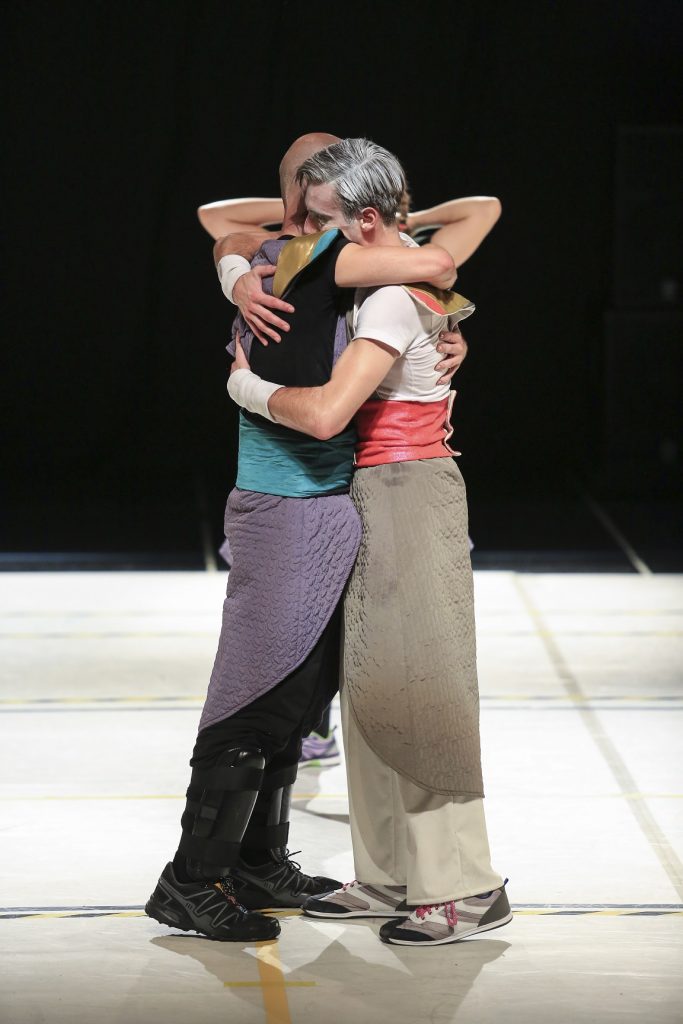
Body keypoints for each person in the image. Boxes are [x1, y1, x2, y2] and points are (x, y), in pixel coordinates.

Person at [144, 133, 466, 943]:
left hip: (323, 506)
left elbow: (225, 230)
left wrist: (440, 329)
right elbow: (441, 259)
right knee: (251, 700)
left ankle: (258, 861)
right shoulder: (308, 258)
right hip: (282, 509)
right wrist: (245, 377)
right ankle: (191, 879)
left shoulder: (283, 259)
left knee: (297, 701)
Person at [227, 137, 510, 947]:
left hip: (410, 492)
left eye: (318, 221)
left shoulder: (388, 294)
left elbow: (324, 414)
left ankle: (465, 884)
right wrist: (242, 273)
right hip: (369, 494)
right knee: (374, 688)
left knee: (426, 688)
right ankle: (387, 873)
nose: (300, 236)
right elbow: (226, 230)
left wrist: (244, 384)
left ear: (367, 220)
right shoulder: (373, 277)